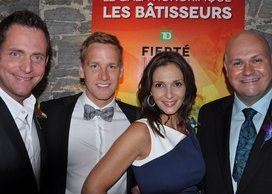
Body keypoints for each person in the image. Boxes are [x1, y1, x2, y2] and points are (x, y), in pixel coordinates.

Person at [82, 51, 206, 194]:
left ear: (187, 88)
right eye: (160, 85)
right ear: (150, 90)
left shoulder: (186, 127)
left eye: (177, 84)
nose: (169, 94)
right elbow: (91, 189)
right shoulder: (141, 131)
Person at [40, 32, 140, 194]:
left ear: (121, 71)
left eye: (111, 66)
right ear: (81, 70)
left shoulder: (138, 118)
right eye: (95, 66)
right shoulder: (50, 114)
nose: (104, 76)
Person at [0, 10, 51, 194]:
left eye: (37, 57)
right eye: (16, 54)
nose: (27, 67)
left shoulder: (34, 110)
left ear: (46, 62)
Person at [198, 30, 272, 194]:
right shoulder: (209, 115)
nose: (247, 71)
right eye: (237, 63)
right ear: (226, 68)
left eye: (257, 60)